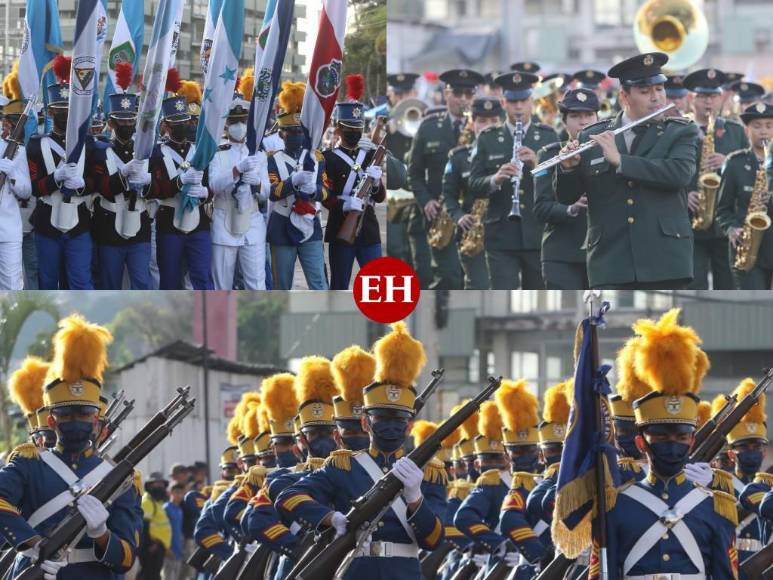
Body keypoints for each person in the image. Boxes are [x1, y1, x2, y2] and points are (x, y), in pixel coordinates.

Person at [275, 322, 447, 579]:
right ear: (366, 422)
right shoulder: (343, 466)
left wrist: (415, 499)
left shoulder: (429, 472)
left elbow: (434, 539)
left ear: (409, 426)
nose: (390, 426)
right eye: (382, 419)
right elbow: (288, 497)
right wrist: (330, 518)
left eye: (398, 420)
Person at [592, 308, 738, 579]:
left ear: (692, 441)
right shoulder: (615, 507)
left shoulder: (716, 506)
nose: (672, 444)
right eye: (660, 436)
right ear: (640, 441)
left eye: (681, 437)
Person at [0, 315, 143, 579]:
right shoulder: (28, 464)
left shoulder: (120, 478)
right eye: (66, 415)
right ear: (52, 420)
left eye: (84, 413)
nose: (76, 421)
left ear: (96, 421)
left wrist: (101, 535)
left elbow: (126, 558)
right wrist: (34, 546)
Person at [555, 52, 700, 289]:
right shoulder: (593, 135)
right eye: (645, 92)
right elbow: (567, 197)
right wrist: (568, 170)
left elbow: (680, 173)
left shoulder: (680, 131)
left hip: (664, 261)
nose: (656, 98)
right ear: (624, 96)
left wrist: (621, 161)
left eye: (660, 89)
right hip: (610, 262)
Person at [469, 71, 559, 289]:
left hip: (537, 231)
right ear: (503, 103)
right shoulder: (488, 138)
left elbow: (561, 185)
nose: (518, 107)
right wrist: (496, 179)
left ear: (531, 102)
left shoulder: (548, 135)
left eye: (523, 101)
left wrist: (538, 166)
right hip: (500, 234)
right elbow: (474, 185)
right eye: (512, 101)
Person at [409, 69, 483, 289]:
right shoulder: (428, 127)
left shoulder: (483, 129)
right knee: (450, 278)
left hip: (473, 216)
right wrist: (426, 201)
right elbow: (414, 172)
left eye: (469, 94)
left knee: (475, 281)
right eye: (458, 92)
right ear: (446, 93)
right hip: (440, 215)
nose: (463, 99)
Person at [27, 57, 94, 289]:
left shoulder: (90, 143)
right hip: (47, 222)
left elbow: (97, 182)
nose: (64, 113)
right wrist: (56, 178)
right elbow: (33, 187)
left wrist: (82, 183)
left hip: (80, 222)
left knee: (80, 281)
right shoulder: (36, 144)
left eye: (68, 109)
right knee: (47, 281)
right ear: (50, 111)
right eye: (59, 109)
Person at [683, 67, 748, 290]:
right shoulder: (679, 130)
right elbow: (667, 171)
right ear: (692, 99)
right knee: (694, 287)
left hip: (725, 226)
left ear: (721, 98)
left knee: (728, 286)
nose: (707, 103)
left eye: (712, 96)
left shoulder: (736, 131)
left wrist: (729, 163)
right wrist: (684, 194)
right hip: (690, 224)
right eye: (702, 96)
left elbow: (752, 172)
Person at [146, 91, 213, 290]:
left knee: (202, 275)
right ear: (166, 126)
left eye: (185, 121)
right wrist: (179, 182)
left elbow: (211, 183)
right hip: (169, 221)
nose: (182, 126)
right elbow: (154, 190)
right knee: (169, 278)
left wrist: (205, 193)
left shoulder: (198, 151)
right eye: (176, 123)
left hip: (199, 220)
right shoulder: (157, 154)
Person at [533, 88, 599, 289]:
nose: (583, 121)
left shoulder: (611, 152)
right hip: (562, 255)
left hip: (602, 254)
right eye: (575, 116)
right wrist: (570, 208)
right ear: (564, 122)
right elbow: (541, 208)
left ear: (598, 118)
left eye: (589, 115)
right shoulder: (549, 155)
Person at [266, 81, 329, 290]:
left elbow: (327, 191)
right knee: (281, 285)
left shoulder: (317, 157)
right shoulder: (272, 159)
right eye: (291, 132)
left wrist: (315, 191)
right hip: (282, 225)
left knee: (318, 282)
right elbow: (273, 193)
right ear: (282, 134)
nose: (296, 136)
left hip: (311, 224)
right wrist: (293, 182)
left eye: (299, 131)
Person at [322, 83, 385, 290]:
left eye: (358, 130)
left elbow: (380, 197)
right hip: (341, 226)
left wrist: (375, 182)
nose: (355, 134)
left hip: (369, 229)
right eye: (349, 130)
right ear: (338, 128)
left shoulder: (368, 155)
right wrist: (344, 204)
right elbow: (325, 196)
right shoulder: (328, 159)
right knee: (339, 286)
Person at [89, 88, 152, 290]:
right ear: (111, 123)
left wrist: (148, 181)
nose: (126, 125)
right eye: (121, 121)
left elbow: (157, 189)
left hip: (139, 224)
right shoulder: (99, 150)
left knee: (142, 283)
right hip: (108, 225)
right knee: (110, 284)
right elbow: (102, 187)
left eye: (130, 121)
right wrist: (123, 174)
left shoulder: (146, 151)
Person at [208, 91, 268, 290]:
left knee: (256, 284)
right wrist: (235, 171)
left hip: (252, 221)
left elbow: (266, 192)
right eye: (234, 121)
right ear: (226, 124)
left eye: (242, 121)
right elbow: (214, 185)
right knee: (221, 286)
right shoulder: (217, 151)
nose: (239, 126)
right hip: (225, 221)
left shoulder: (258, 153)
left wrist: (258, 183)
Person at [442, 97, 499, 290]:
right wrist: (458, 216)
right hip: (473, 232)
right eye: (482, 121)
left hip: (506, 232)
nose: (488, 126)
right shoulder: (458, 157)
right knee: (478, 285)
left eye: (493, 121)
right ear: (473, 123)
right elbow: (448, 195)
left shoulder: (512, 153)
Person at [715, 102, 773, 289]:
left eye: (769, 126)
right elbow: (722, 209)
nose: (763, 131)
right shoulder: (735, 163)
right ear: (747, 130)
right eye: (757, 126)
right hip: (747, 251)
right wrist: (731, 229)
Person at [0, 95, 32, 290]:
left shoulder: (15, 151)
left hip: (8, 229)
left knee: (12, 288)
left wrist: (12, 174)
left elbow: (26, 192)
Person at [331, 345, 375, 452]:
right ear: (337, 435)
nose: (359, 438)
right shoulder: (328, 469)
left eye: (365, 432)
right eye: (350, 433)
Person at [140, 473, 171, 580]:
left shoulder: (156, 502)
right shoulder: (147, 502)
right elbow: (144, 526)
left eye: (163, 484)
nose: (161, 486)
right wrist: (150, 544)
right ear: (149, 485)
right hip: (152, 548)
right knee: (150, 576)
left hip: (158, 547)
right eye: (158, 483)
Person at [163, 483, 185, 580]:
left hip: (178, 551)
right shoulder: (166, 508)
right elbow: (162, 530)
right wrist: (166, 548)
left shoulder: (180, 510)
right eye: (176, 492)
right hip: (168, 551)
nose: (179, 495)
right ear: (170, 493)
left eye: (181, 493)